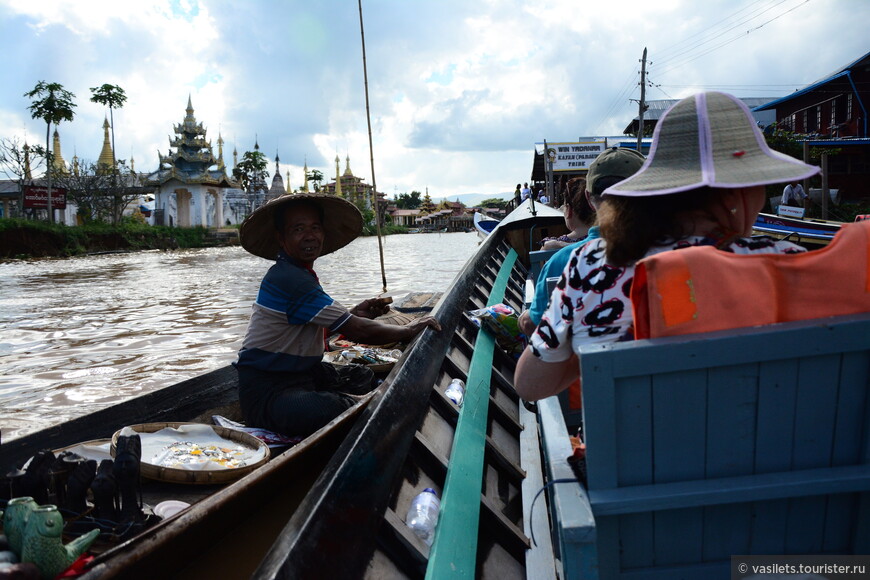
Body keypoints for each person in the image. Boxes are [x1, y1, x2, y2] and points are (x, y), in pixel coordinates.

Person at [515, 91, 820, 402]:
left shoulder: (590, 265)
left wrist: (585, 347)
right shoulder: (790, 264)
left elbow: (529, 386)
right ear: (738, 194)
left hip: (630, 447)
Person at [234, 193, 442, 437]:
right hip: (269, 392)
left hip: (301, 375)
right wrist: (407, 330)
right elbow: (359, 330)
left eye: (315, 228)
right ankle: (352, 404)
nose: (310, 236)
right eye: (298, 229)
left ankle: (352, 399)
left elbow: (308, 327)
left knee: (360, 375)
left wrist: (355, 313)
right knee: (330, 407)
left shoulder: (297, 274)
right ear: (281, 238)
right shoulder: (290, 279)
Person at [518, 148, 645, 337]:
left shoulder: (564, 261)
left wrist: (523, 319)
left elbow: (535, 326)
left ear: (589, 198)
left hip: (587, 363)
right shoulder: (677, 252)